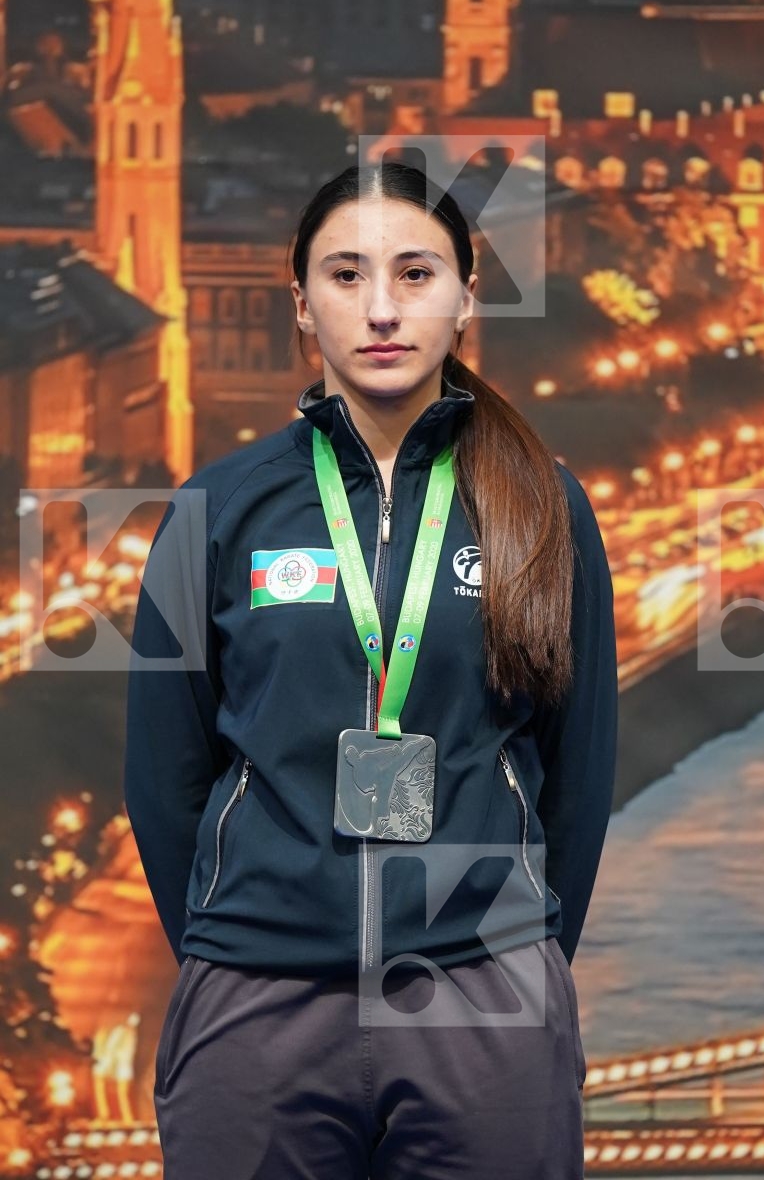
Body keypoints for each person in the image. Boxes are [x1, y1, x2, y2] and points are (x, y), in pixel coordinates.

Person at [124, 160, 619, 1179]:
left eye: (417, 274)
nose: (383, 309)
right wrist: (239, 938)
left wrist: (519, 951)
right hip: (258, 997)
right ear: (301, 305)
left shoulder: (542, 505)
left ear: (467, 298)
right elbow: (163, 778)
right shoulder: (214, 511)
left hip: (484, 992)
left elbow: (582, 771)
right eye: (346, 277)